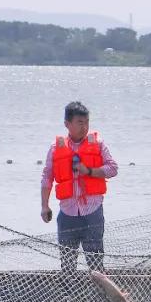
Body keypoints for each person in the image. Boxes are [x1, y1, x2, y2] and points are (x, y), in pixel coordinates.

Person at [40, 101, 118, 274]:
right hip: (67, 214)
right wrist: (45, 206)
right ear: (67, 124)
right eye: (80, 123)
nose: (84, 127)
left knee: (96, 265)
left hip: (92, 213)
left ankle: (100, 297)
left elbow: (113, 169)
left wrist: (89, 170)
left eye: (87, 122)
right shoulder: (55, 148)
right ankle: (69, 297)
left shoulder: (98, 144)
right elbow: (47, 177)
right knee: (67, 266)